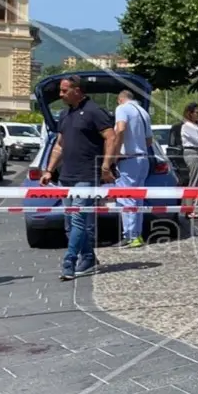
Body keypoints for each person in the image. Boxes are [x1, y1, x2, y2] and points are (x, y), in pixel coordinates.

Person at [41, 75, 116, 281]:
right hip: (67, 176)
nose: (60, 94)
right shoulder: (65, 114)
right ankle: (89, 257)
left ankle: (69, 262)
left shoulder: (94, 111)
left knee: (78, 221)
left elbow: (111, 137)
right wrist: (49, 170)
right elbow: (59, 145)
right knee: (70, 224)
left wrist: (106, 164)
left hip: (87, 175)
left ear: (77, 90)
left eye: (64, 91)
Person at [112, 89, 153, 248]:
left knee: (126, 197)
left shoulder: (122, 109)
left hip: (129, 160)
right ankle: (137, 235)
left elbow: (121, 129)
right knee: (138, 198)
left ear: (119, 99)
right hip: (143, 159)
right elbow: (149, 140)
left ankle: (129, 236)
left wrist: (115, 153)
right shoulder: (143, 112)